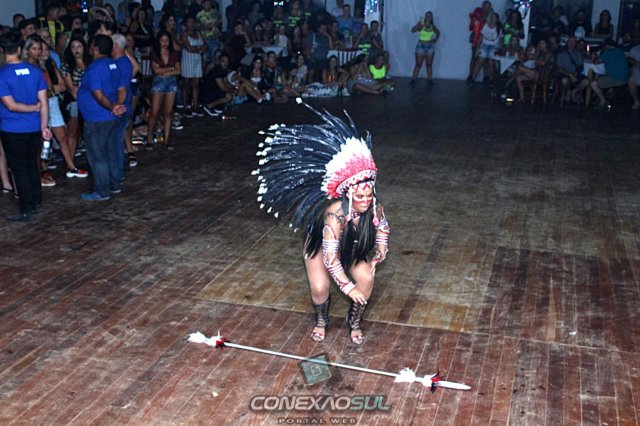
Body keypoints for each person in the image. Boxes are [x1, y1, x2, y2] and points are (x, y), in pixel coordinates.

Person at [254, 99, 390, 345]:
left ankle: (354, 321)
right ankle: (321, 319)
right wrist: (348, 289)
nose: (365, 200)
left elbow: (382, 228)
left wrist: (380, 249)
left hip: (351, 246)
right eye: (360, 197)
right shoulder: (334, 216)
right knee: (319, 287)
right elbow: (330, 259)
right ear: (348, 195)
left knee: (367, 278)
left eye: (369, 195)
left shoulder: (374, 207)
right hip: (321, 245)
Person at [0, 33, 51, 221]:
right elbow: (44, 101)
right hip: (34, 127)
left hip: (12, 128)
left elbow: (11, 106)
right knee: (32, 166)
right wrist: (44, 125)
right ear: (20, 49)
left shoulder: (2, 74)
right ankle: (37, 203)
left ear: (2, 50)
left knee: (19, 169)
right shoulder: (35, 71)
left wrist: (32, 108)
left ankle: (26, 209)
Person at [77, 34, 126, 201]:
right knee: (111, 151)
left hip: (96, 118)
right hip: (110, 116)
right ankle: (114, 184)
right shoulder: (114, 64)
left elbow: (97, 94)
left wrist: (113, 107)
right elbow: (122, 88)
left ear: (96, 48)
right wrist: (118, 106)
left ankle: (102, 190)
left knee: (97, 155)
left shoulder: (95, 67)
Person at [148, 31, 181, 149]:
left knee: (168, 112)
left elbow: (179, 70)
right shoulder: (154, 53)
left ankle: (166, 140)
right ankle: (149, 138)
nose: (165, 43)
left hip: (171, 82)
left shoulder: (173, 53)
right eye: (162, 40)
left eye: (167, 40)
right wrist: (171, 68)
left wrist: (164, 71)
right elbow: (156, 71)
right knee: (154, 112)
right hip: (159, 83)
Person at [111, 33, 137, 181]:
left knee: (116, 141)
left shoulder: (118, 64)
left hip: (120, 106)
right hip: (126, 104)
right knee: (118, 140)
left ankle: (117, 173)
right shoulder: (126, 62)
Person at [180, 16, 207, 118]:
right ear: (186, 24)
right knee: (186, 84)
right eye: (190, 22)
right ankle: (185, 106)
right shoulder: (184, 34)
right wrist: (199, 49)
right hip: (187, 60)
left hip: (197, 60)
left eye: (193, 22)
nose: (192, 24)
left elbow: (206, 45)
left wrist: (197, 49)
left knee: (196, 84)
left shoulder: (198, 33)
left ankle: (195, 106)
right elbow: (188, 48)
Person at [469, 12, 501, 85]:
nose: (493, 19)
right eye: (492, 17)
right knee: (479, 62)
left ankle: (491, 80)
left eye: (494, 17)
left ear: (497, 19)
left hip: (494, 46)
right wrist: (477, 48)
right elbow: (481, 37)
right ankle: (473, 78)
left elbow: (501, 39)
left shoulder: (499, 28)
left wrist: (501, 49)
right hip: (485, 45)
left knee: (490, 63)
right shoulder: (486, 26)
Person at [410, 11, 439, 86]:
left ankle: (430, 80)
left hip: (430, 46)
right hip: (421, 46)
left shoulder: (432, 26)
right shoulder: (421, 25)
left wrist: (435, 39)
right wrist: (417, 25)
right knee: (418, 64)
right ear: (425, 17)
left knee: (429, 65)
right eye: (427, 15)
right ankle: (413, 79)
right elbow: (412, 30)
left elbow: (438, 32)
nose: (428, 17)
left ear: (432, 18)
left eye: (430, 16)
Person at [467, 1, 492, 83]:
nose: (486, 8)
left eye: (488, 6)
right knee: (474, 57)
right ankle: (471, 75)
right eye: (485, 6)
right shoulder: (477, 12)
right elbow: (475, 23)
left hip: (487, 39)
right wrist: (485, 16)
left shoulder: (491, 15)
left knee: (486, 59)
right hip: (477, 37)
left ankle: (486, 76)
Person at [556, 36, 584, 103]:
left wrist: (575, 74)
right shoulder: (561, 54)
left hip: (575, 73)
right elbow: (559, 68)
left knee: (587, 82)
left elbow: (580, 67)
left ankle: (574, 92)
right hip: (565, 73)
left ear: (576, 43)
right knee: (564, 80)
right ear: (567, 43)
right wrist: (570, 75)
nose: (571, 43)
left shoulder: (578, 54)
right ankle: (568, 91)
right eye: (570, 42)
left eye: (573, 42)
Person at [628, 43, 640, 110]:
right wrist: (636, 62)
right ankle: (636, 101)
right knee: (631, 82)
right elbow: (630, 59)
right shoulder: (635, 48)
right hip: (636, 72)